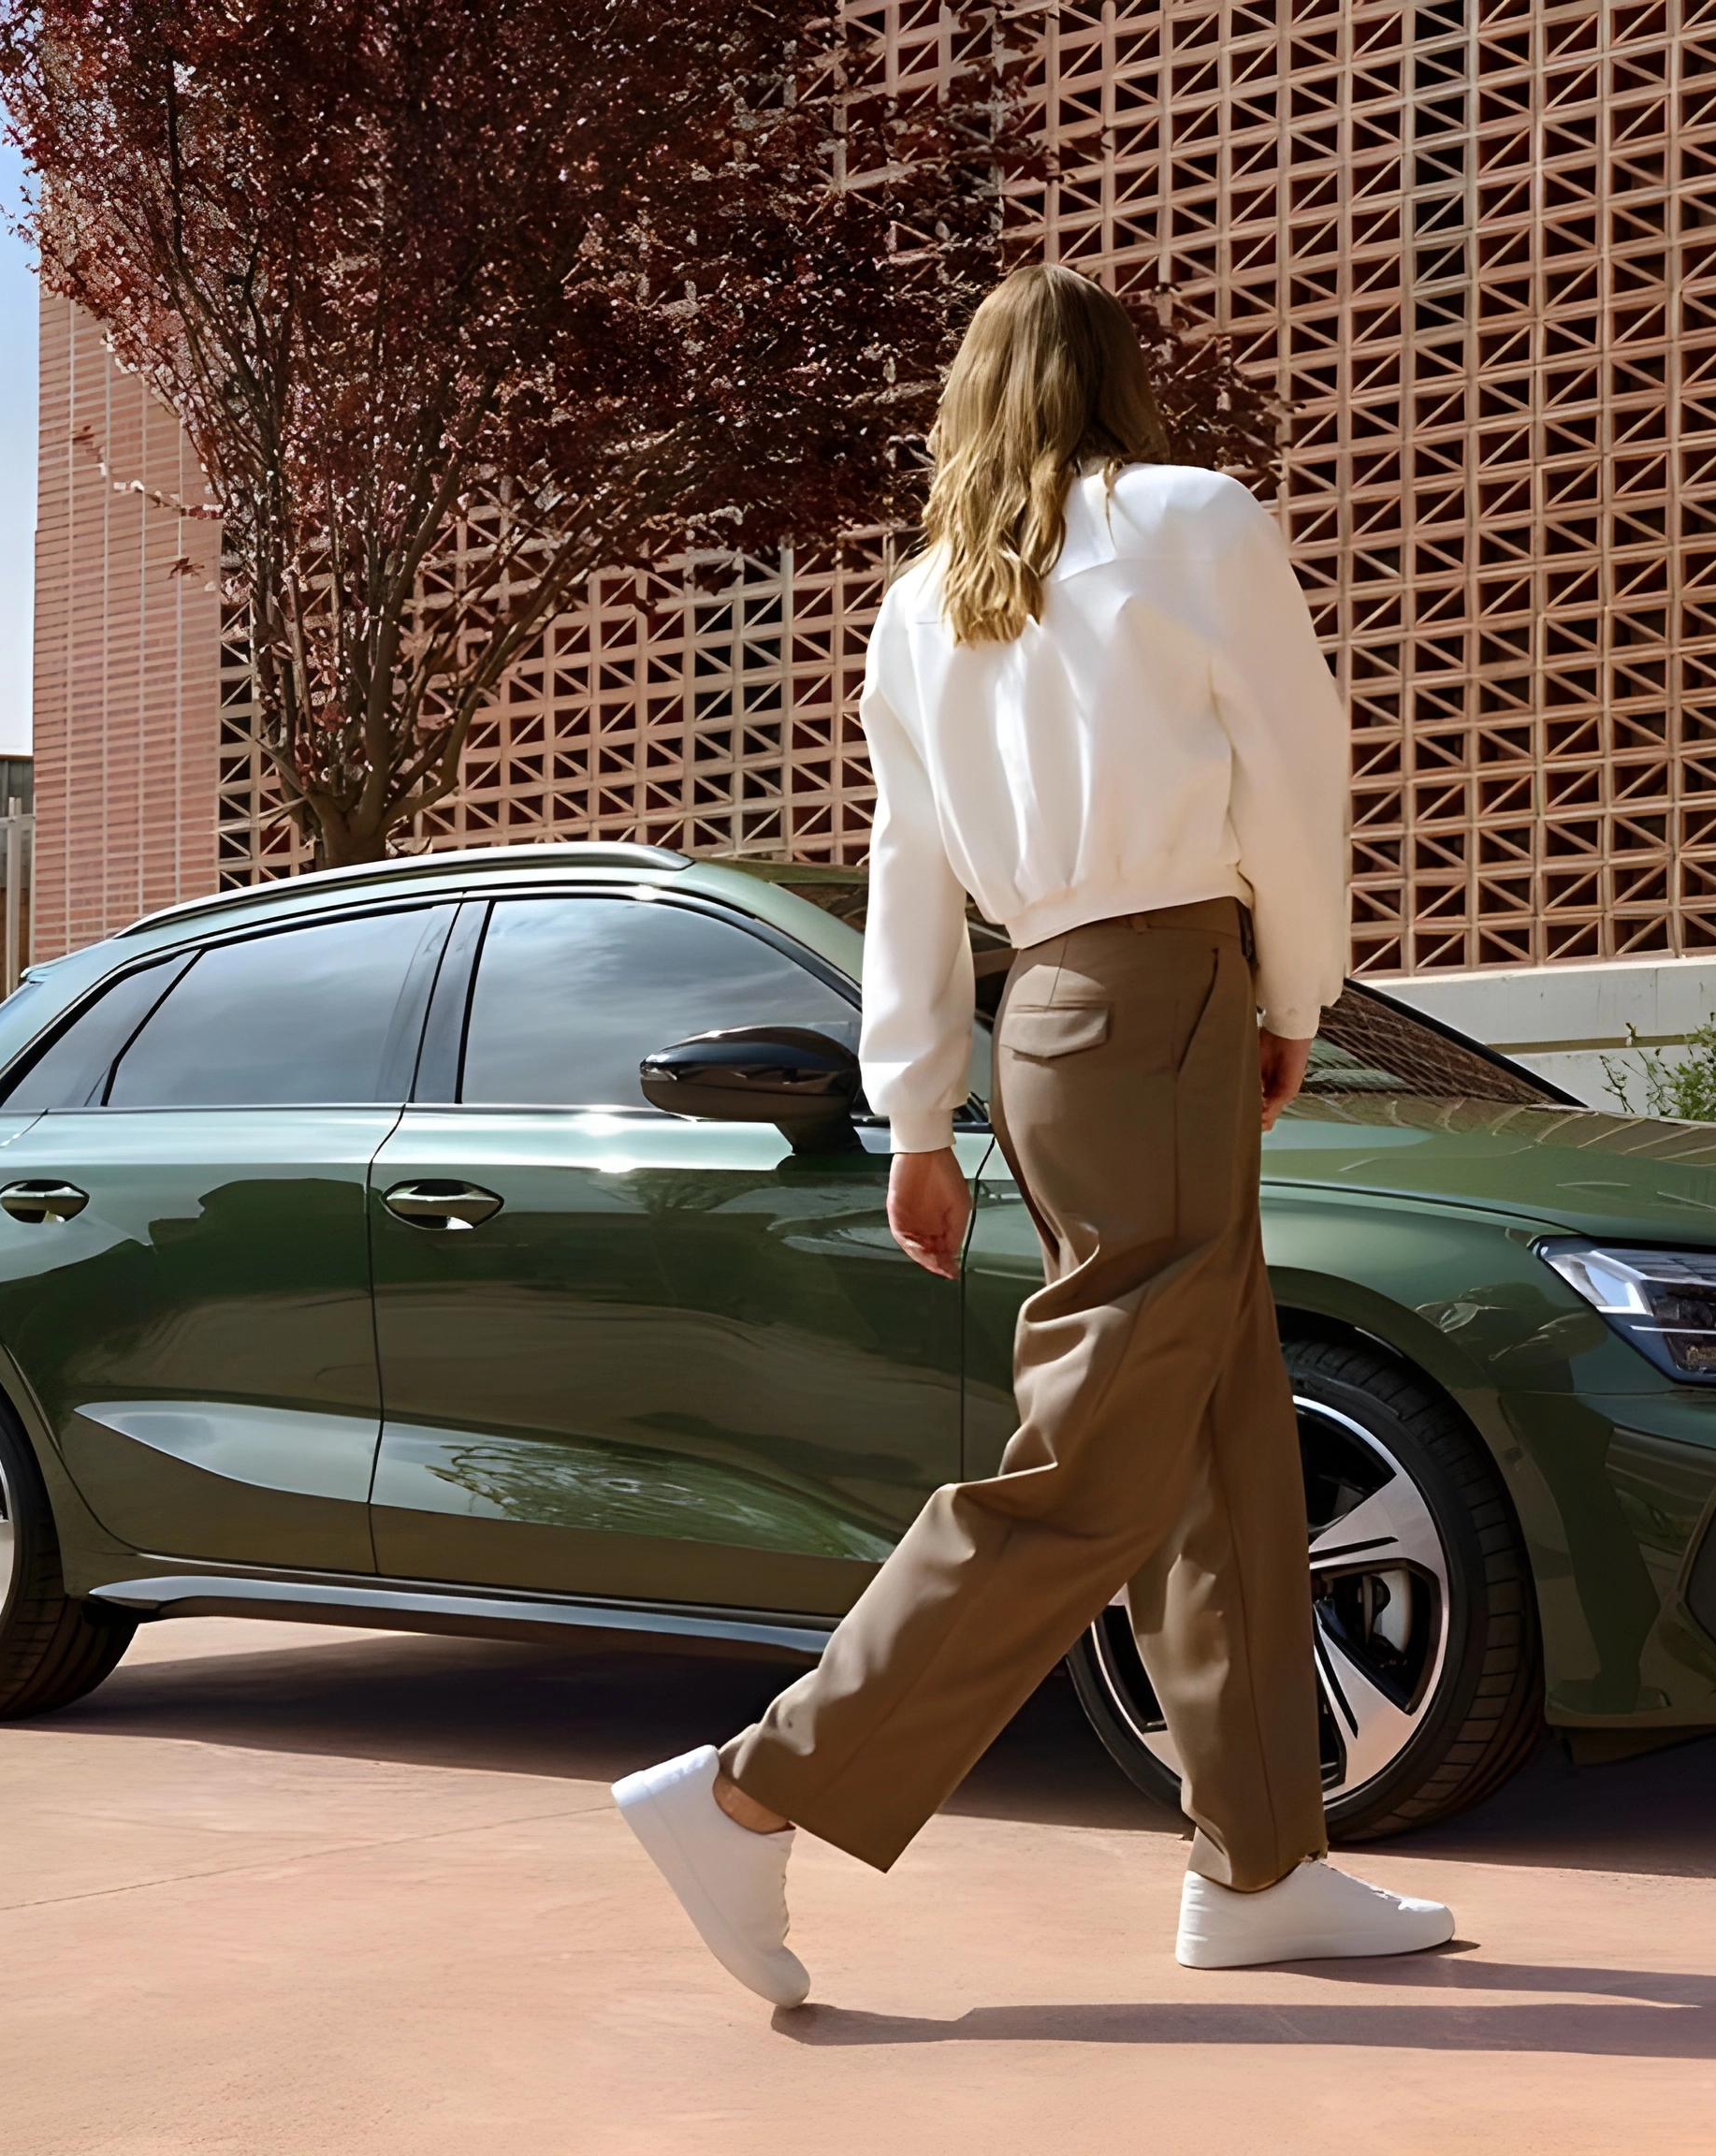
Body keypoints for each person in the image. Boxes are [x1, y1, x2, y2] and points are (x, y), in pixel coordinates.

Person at [610, 264, 1459, 2005]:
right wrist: (1299, 993)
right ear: (1120, 383)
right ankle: (760, 1788)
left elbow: (909, 872)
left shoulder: (922, 601)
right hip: (1167, 1001)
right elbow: (1295, 773)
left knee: (1218, 1450)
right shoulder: (1193, 519)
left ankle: (1262, 1867)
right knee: (1093, 1467)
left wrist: (919, 1112)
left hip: (1047, 1023)